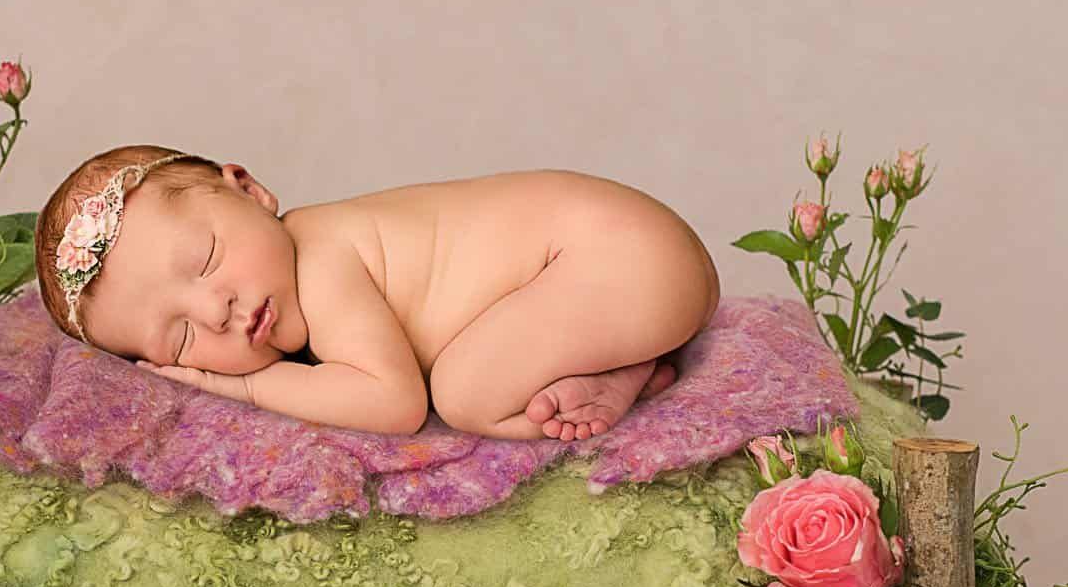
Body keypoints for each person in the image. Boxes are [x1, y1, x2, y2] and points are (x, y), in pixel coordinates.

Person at [36, 145, 719, 440]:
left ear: (249, 189)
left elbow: (391, 401)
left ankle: (623, 361)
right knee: (480, 371)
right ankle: (621, 357)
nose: (214, 309)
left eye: (207, 258)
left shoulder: (323, 252)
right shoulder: (306, 265)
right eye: (180, 338)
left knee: (465, 393)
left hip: (623, 255)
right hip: (625, 262)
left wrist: (247, 388)